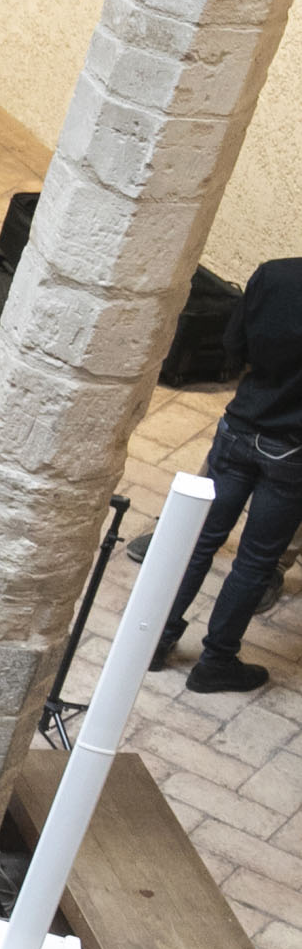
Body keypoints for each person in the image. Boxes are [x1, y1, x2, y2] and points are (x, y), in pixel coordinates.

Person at [163, 253, 299, 694]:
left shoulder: (274, 274)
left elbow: (233, 343)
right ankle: (216, 661)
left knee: (201, 538)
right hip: (293, 449)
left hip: (240, 425)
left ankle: (156, 639)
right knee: (256, 560)